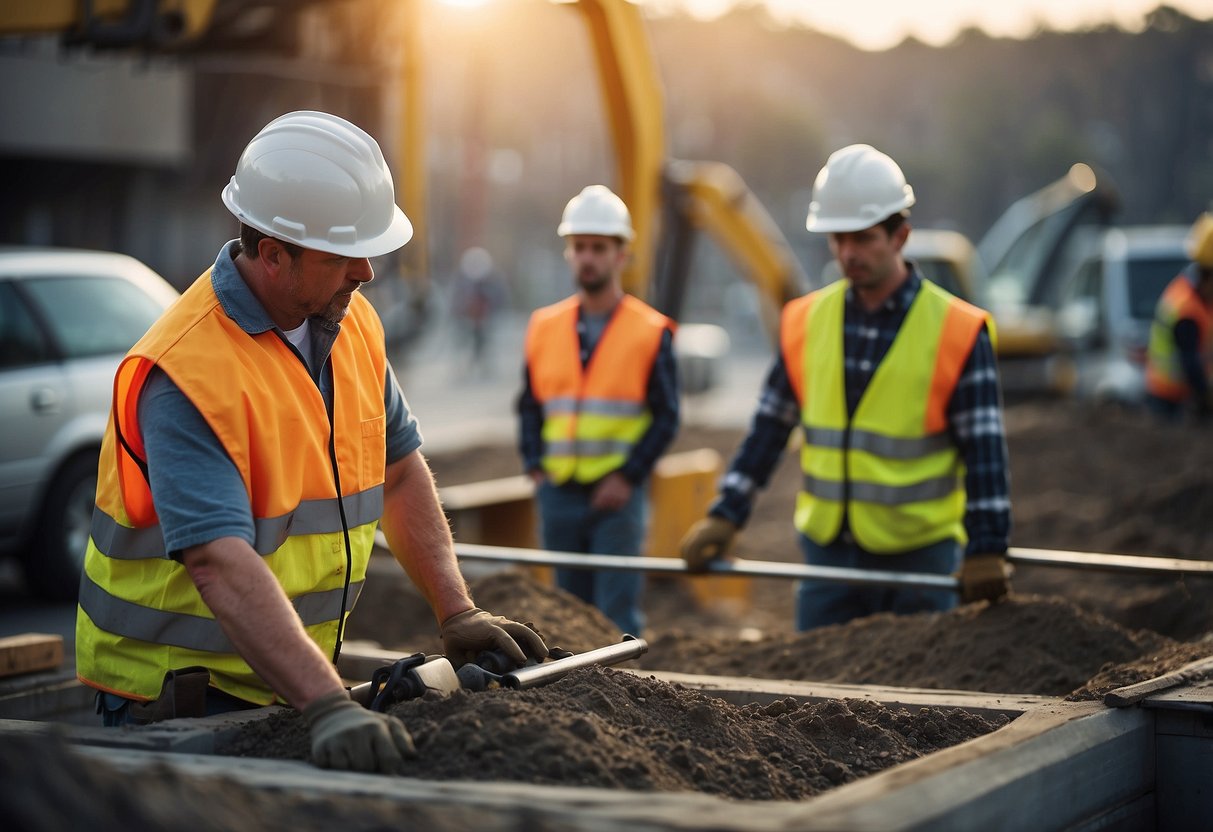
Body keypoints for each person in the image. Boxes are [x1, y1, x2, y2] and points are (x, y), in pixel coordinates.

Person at [75, 111, 548, 775]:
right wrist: (327, 705)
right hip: (181, 701)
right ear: (272, 254)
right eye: (341, 255)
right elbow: (217, 560)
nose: (365, 272)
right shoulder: (185, 372)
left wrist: (456, 610)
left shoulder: (348, 323)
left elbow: (401, 474)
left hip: (285, 680)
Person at [679, 144, 1011, 630]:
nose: (848, 254)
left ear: (901, 236)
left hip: (919, 561)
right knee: (817, 698)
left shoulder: (958, 331)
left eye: (863, 238)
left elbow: (985, 453)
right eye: (838, 239)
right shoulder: (804, 321)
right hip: (828, 557)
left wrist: (987, 547)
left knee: (919, 700)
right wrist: (726, 514)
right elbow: (769, 430)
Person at [516, 185, 679, 636]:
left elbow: (667, 416)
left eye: (599, 248)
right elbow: (530, 405)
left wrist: (628, 477)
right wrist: (535, 466)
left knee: (616, 619)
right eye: (579, 247)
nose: (587, 257)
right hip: (559, 492)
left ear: (621, 254)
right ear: (570, 253)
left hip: (617, 499)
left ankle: (622, 699)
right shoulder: (543, 327)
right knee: (566, 619)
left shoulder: (650, 331)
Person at [1145, 211, 1213, 423]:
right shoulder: (1187, 309)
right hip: (1169, 402)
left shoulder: (1195, 295)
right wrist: (1206, 396)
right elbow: (1190, 363)